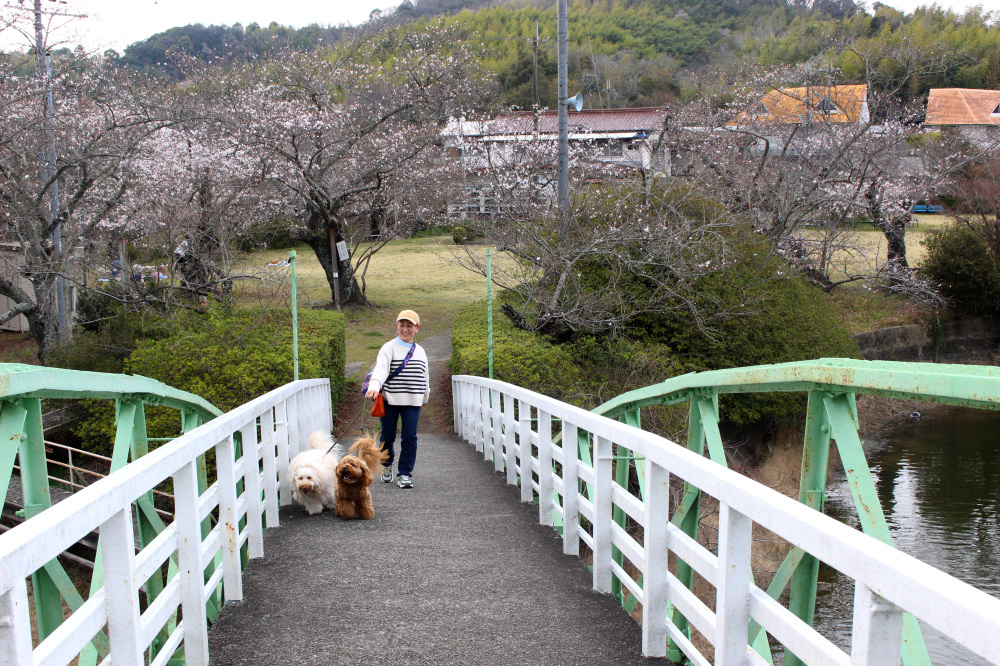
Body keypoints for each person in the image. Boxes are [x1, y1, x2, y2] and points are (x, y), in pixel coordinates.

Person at [364, 310, 430, 489]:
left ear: (417, 328)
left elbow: (425, 377)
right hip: (389, 400)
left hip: (413, 401)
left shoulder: (421, 351)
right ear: (397, 326)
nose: (405, 329)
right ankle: (386, 465)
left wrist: (425, 397)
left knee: (410, 437)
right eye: (402, 325)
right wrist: (373, 388)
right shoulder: (388, 347)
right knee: (388, 436)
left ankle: (405, 474)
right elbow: (380, 370)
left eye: (410, 326)